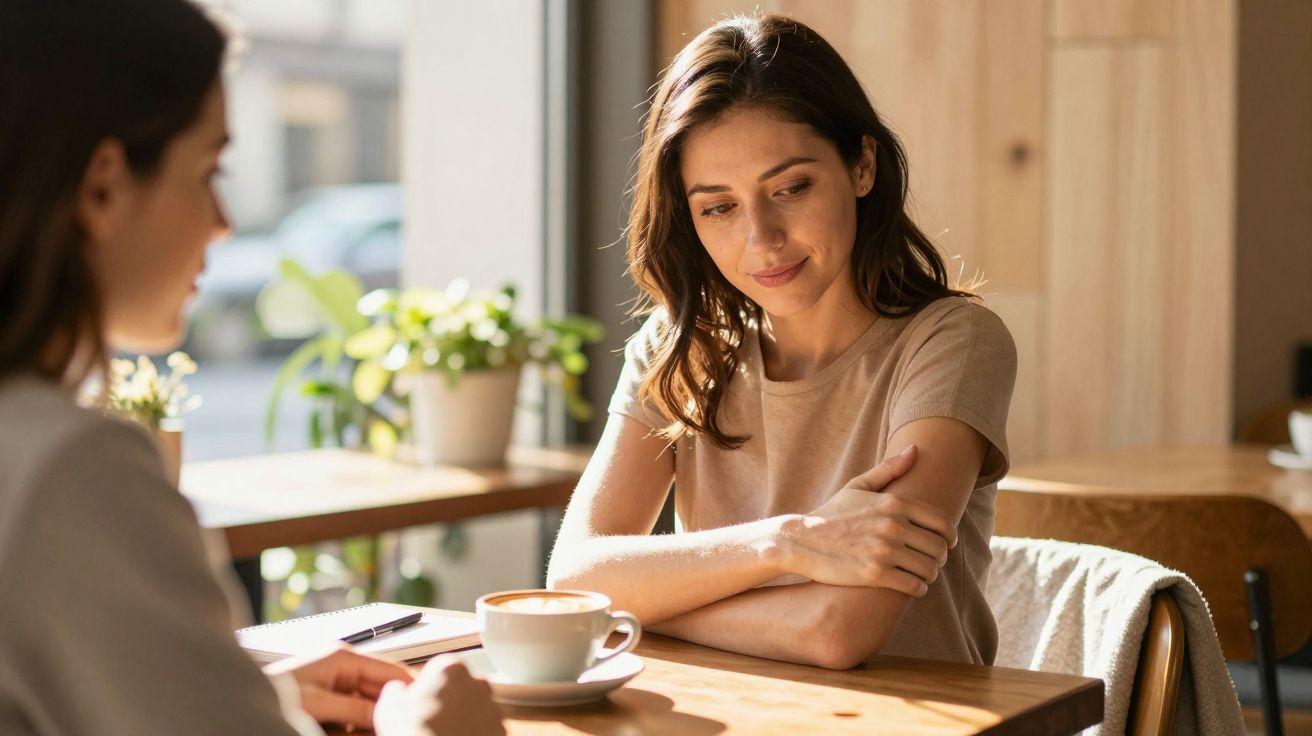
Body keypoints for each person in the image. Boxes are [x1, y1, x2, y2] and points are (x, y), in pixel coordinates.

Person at [0, 1, 503, 733]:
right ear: (102, 187)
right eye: (209, 169)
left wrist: (248, 690)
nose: (225, 220)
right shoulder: (72, 468)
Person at [547, 13, 1017, 670]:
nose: (760, 239)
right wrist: (793, 543)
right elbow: (572, 578)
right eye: (718, 207)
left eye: (791, 188)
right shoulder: (679, 348)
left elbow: (837, 630)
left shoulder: (951, 344)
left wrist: (642, 604)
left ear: (862, 165)